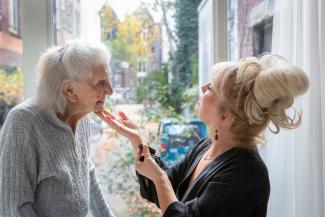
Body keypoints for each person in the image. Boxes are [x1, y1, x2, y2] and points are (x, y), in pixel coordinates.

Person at [96, 54, 309, 217]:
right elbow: (160, 189)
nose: (202, 87)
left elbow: (162, 183)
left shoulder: (244, 175)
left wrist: (159, 177)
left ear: (225, 117)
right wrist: (138, 141)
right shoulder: (207, 147)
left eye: (212, 88)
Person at [0, 40, 115, 217]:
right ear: (70, 90)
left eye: (108, 80)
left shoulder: (81, 116)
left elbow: (86, 170)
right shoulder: (23, 124)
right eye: (100, 83)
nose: (110, 90)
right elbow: (14, 209)